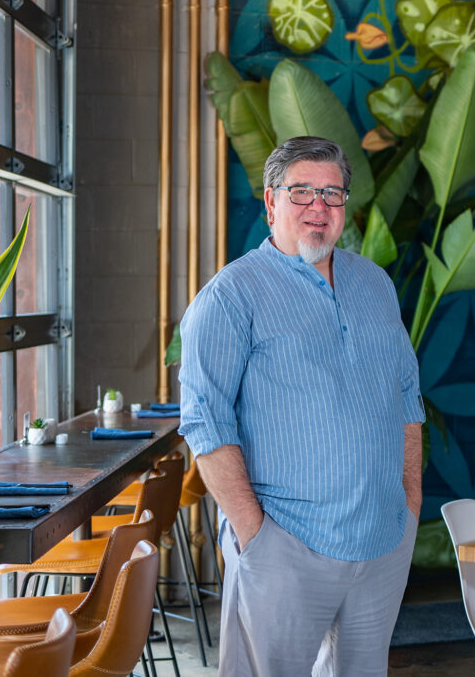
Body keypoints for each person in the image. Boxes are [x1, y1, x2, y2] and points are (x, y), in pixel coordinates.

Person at [179, 136, 424, 676]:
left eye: (332, 194)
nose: (319, 207)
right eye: (302, 192)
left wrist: (409, 502)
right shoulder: (231, 295)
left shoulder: (375, 284)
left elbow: (407, 398)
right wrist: (254, 536)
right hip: (284, 544)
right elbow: (205, 423)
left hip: (382, 540)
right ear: (271, 203)